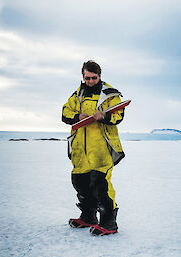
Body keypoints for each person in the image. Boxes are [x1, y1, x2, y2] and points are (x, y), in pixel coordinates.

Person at [62, 60, 125, 236]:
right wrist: (77, 116)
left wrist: (104, 115)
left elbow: (118, 115)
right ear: (83, 76)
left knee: (101, 184)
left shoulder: (109, 94)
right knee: (80, 182)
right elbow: (64, 113)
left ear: (99, 76)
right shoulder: (77, 95)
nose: (90, 81)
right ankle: (88, 216)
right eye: (87, 78)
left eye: (94, 78)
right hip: (80, 149)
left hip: (101, 149)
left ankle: (109, 223)